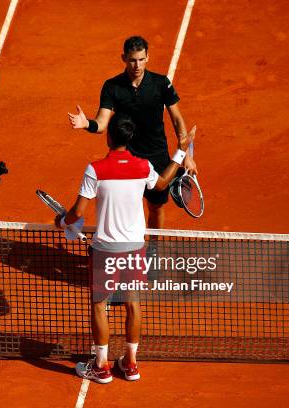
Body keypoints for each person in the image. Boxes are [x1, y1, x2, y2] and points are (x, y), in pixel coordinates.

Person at [56, 114, 193, 383]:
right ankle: (130, 364)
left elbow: (78, 212)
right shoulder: (143, 166)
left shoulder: (95, 169)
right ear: (131, 138)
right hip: (134, 248)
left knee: (99, 306)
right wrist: (181, 150)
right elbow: (162, 183)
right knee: (132, 304)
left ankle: (101, 366)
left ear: (109, 137)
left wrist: (62, 221)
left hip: (105, 249)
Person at [68, 35, 197, 230]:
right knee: (125, 204)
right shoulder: (112, 87)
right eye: (132, 60)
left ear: (147, 58)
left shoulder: (161, 84)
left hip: (157, 154)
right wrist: (88, 124)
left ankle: (153, 248)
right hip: (128, 155)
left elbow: (177, 119)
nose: (137, 65)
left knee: (156, 208)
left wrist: (186, 155)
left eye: (141, 59)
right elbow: (102, 123)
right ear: (124, 58)